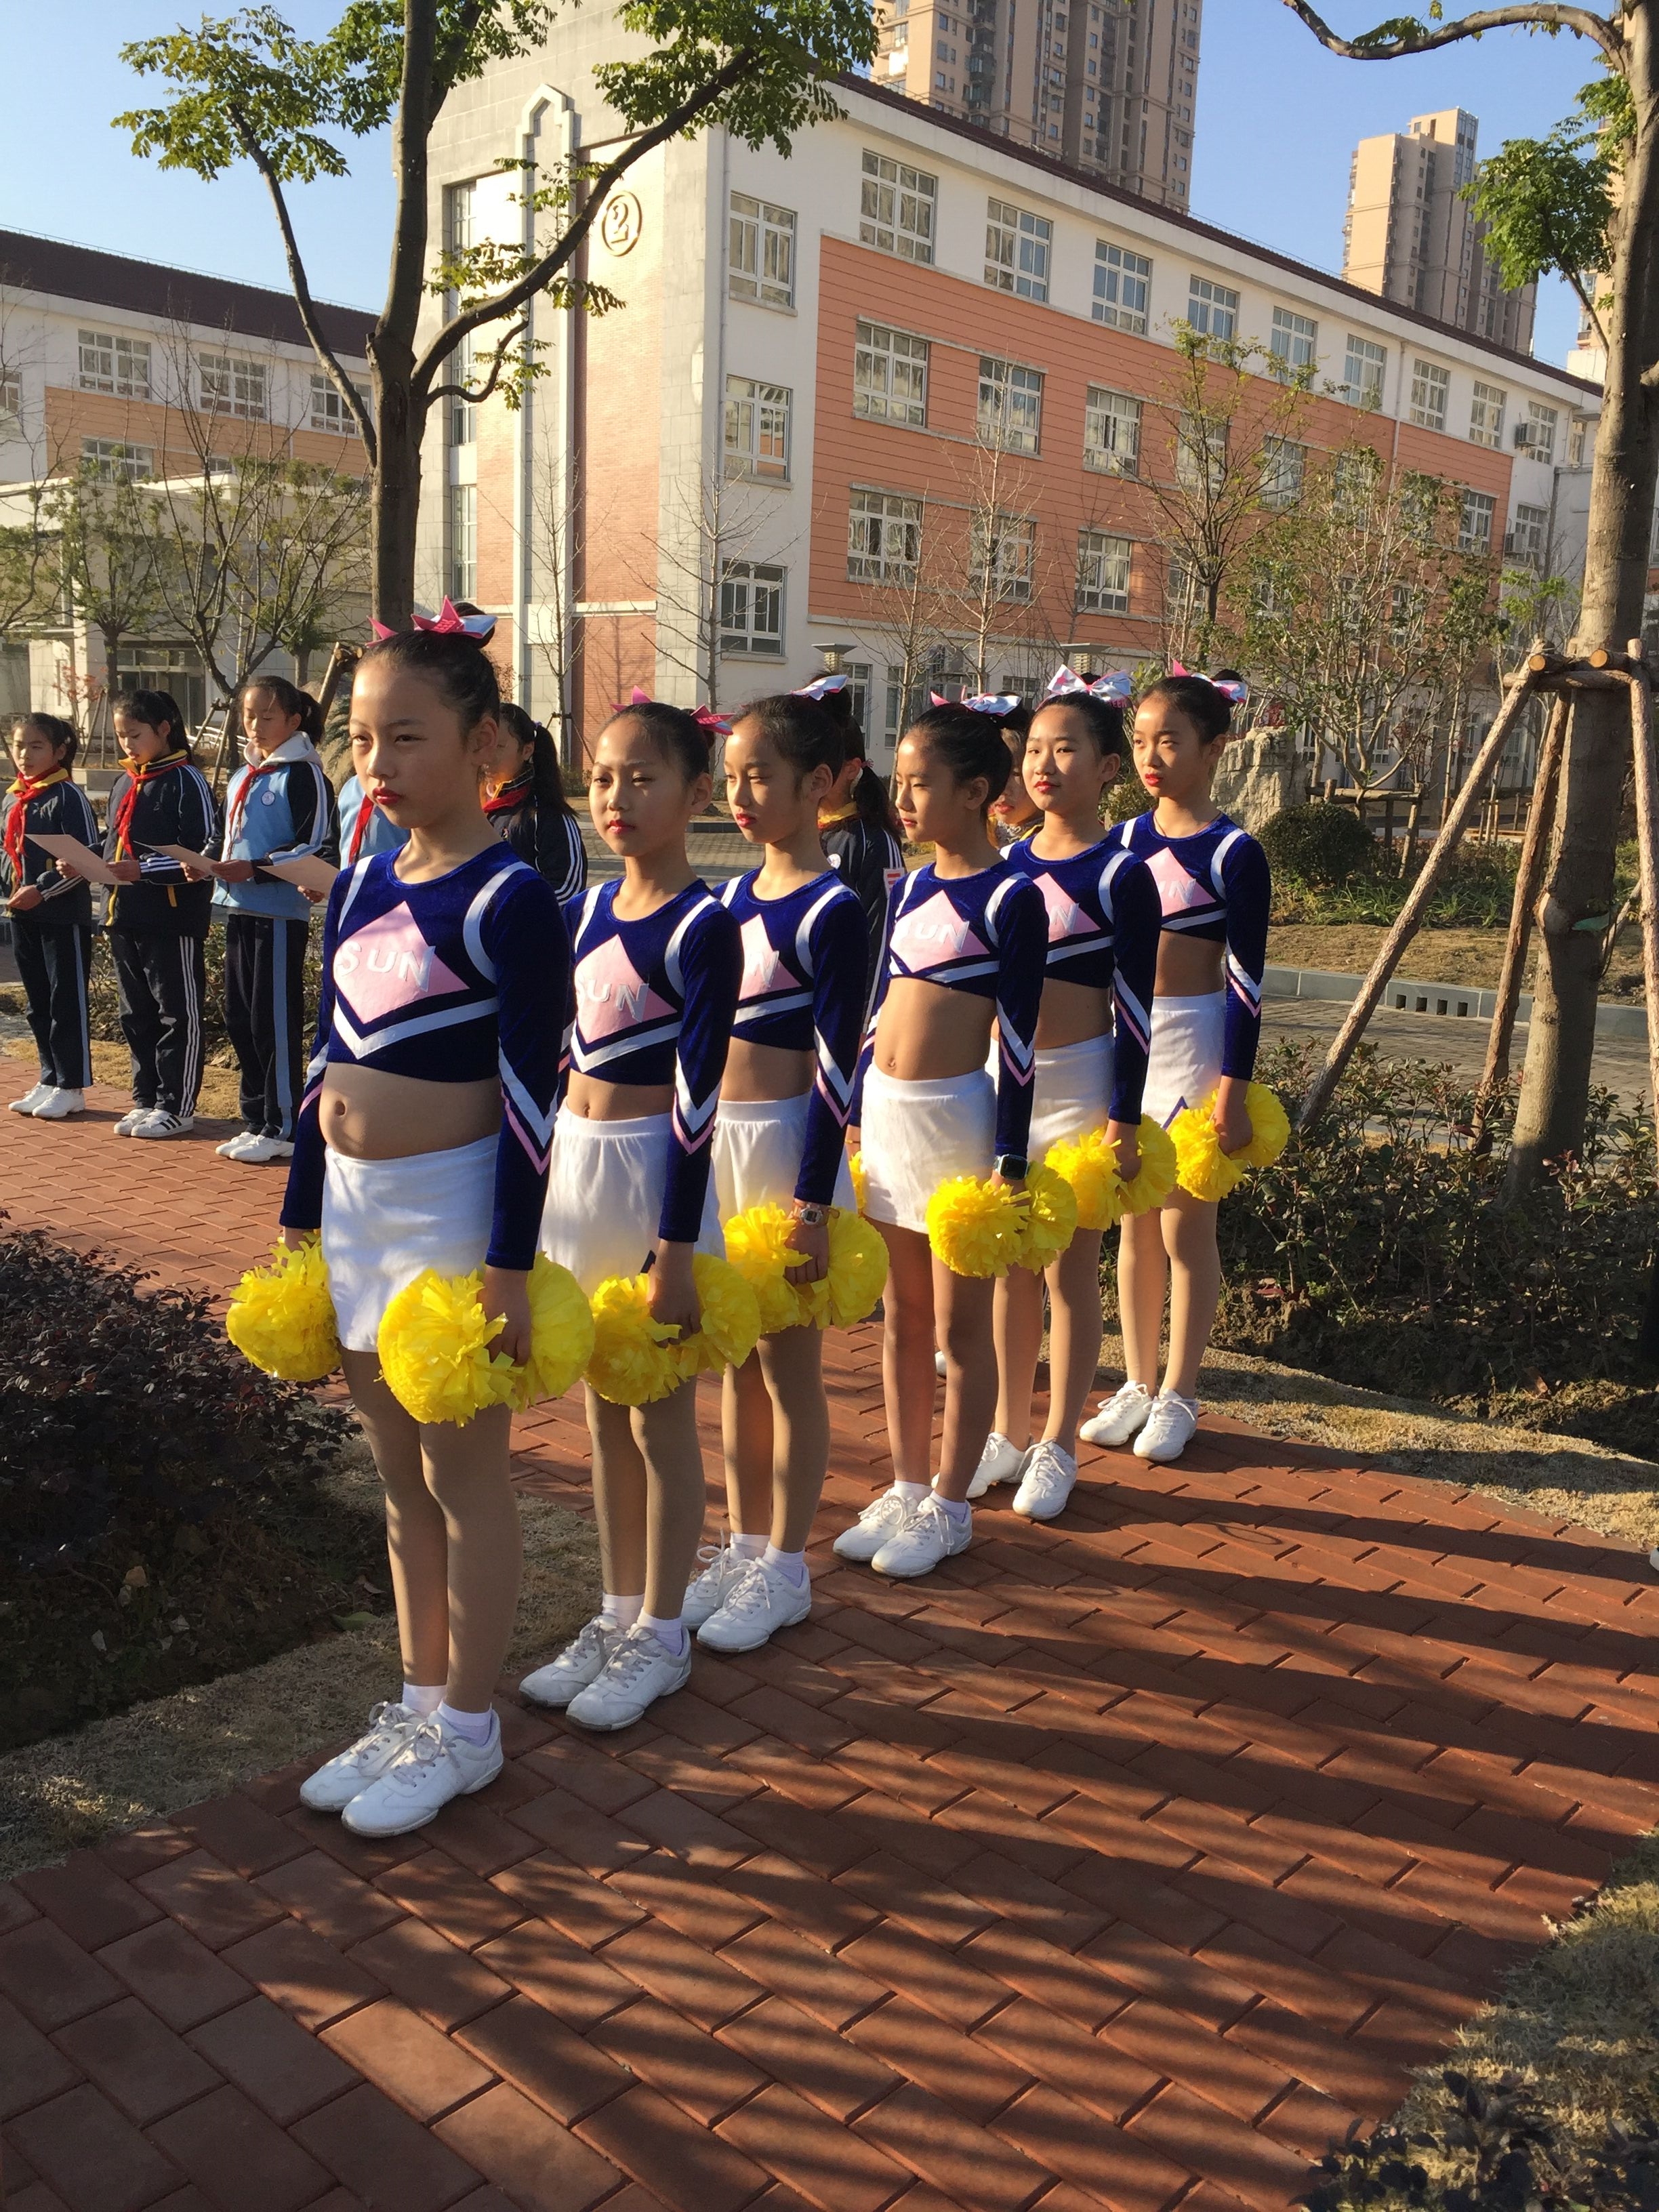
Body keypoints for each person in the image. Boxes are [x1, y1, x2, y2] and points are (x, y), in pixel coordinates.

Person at [279, 617, 567, 1837]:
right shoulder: (356, 882)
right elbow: (322, 1067)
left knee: (462, 1476)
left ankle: (469, 1726)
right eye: (360, 740)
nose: (379, 763)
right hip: (355, 1217)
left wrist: (507, 1266)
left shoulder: (514, 898)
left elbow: (533, 1102)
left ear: (483, 741)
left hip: (452, 1217)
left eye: (407, 736)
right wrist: (300, 1221)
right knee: (396, 1478)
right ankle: (415, 1700)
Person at [523, 697, 741, 1730]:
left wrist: (678, 1250)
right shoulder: (583, 912)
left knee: (661, 1416)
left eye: (644, 779)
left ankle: (663, 1630)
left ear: (697, 795)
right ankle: (615, 1613)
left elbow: (700, 1104)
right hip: (578, 1175)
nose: (617, 797)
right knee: (601, 1410)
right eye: (604, 778)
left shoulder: (707, 927)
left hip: (654, 1179)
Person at [836, 703, 1044, 1580]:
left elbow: (1022, 1043)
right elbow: (877, 1008)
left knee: (962, 1329)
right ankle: (907, 1483)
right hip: (888, 1119)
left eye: (922, 784)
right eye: (902, 781)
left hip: (957, 1126)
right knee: (902, 1320)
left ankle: (952, 1507)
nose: (904, 799)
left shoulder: (1013, 896)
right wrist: (852, 1111)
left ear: (977, 792)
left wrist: (1010, 1161)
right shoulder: (910, 887)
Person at [679, 693, 867, 1652]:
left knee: (790, 1372)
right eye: (733, 777)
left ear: (819, 785)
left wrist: (812, 1202)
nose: (741, 796)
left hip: (790, 1154)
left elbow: (838, 1071)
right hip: (721, 1151)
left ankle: (787, 1565)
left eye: (761, 776)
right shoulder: (725, 902)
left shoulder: (836, 910)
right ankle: (743, 1542)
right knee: (734, 1367)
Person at [978, 683, 1159, 1519]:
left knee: (1068, 1271)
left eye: (1065, 748)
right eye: (1033, 750)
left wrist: (1125, 1117)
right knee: (1009, 1267)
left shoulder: (1123, 875)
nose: (1043, 765)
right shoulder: (1003, 865)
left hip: (1082, 1085)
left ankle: (1057, 1442)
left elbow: (1137, 1010)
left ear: (1108, 767)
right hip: (1006, 1085)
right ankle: (1006, 1429)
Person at [1080, 670, 1270, 1464]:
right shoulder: (1119, 842)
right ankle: (1135, 1379)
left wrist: (1232, 1090)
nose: (1151, 757)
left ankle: (1181, 1391)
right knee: (1131, 1225)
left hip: (1195, 1048)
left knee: (1186, 1227)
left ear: (1214, 748)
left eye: (1170, 741)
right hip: (1126, 1044)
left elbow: (1247, 984)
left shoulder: (1235, 853)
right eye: (1140, 741)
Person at [187, 676, 340, 1164]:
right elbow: (221, 834)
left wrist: (254, 868)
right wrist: (205, 861)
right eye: (249, 715)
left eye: (266, 717)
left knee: (272, 1020)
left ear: (294, 721)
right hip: (237, 907)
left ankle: (284, 1124)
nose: (254, 725)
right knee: (240, 1018)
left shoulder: (304, 776)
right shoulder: (243, 774)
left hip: (278, 914)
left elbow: (315, 843)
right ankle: (256, 1119)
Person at [97, 690, 216, 1140]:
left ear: (164, 729)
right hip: (122, 913)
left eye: (135, 734)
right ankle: (145, 1099)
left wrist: (144, 869)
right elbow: (113, 842)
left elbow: (205, 851)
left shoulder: (187, 780)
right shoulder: (125, 781)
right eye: (120, 736)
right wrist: (84, 860)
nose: (127, 744)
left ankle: (177, 1106)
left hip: (171, 918)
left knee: (176, 1015)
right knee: (136, 1013)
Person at [3, 713, 98, 1120]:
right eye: (19, 746)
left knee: (65, 1001)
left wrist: (41, 889)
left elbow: (85, 857)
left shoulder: (67, 796)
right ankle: (49, 1075)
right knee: (38, 1001)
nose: (24, 755)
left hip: (62, 916)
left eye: (36, 746)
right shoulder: (13, 798)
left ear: (59, 751)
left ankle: (71, 1084)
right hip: (22, 913)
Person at [813, 683, 904, 980]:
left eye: (821, 764)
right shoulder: (791, 833)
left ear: (852, 768)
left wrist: (865, 1010)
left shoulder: (872, 842)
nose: (811, 774)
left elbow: (883, 939)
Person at [482, 702, 587, 909]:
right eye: (484, 744)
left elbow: (568, 888)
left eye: (499, 746)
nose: (488, 755)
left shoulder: (545, 814)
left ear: (527, 750)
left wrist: (510, 912)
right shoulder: (470, 807)